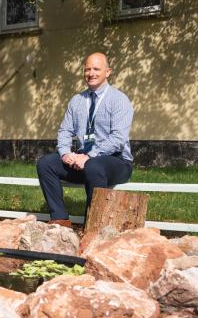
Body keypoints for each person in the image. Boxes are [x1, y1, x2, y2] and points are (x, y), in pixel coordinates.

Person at [36, 52, 134, 228]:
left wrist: (90, 156)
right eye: (87, 69)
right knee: (46, 163)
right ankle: (60, 220)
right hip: (83, 162)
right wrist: (66, 153)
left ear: (108, 72)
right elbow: (65, 130)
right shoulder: (77, 101)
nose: (91, 73)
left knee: (93, 166)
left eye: (96, 69)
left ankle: (92, 226)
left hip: (116, 161)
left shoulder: (119, 100)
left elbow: (118, 139)